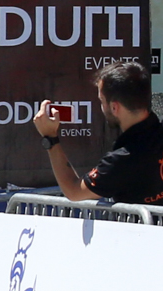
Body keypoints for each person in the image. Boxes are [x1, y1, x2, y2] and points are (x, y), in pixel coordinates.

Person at [33, 61, 163, 205]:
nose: (101, 107)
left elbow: (74, 190)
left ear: (114, 107)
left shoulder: (122, 160)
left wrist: (50, 138)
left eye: (101, 101)